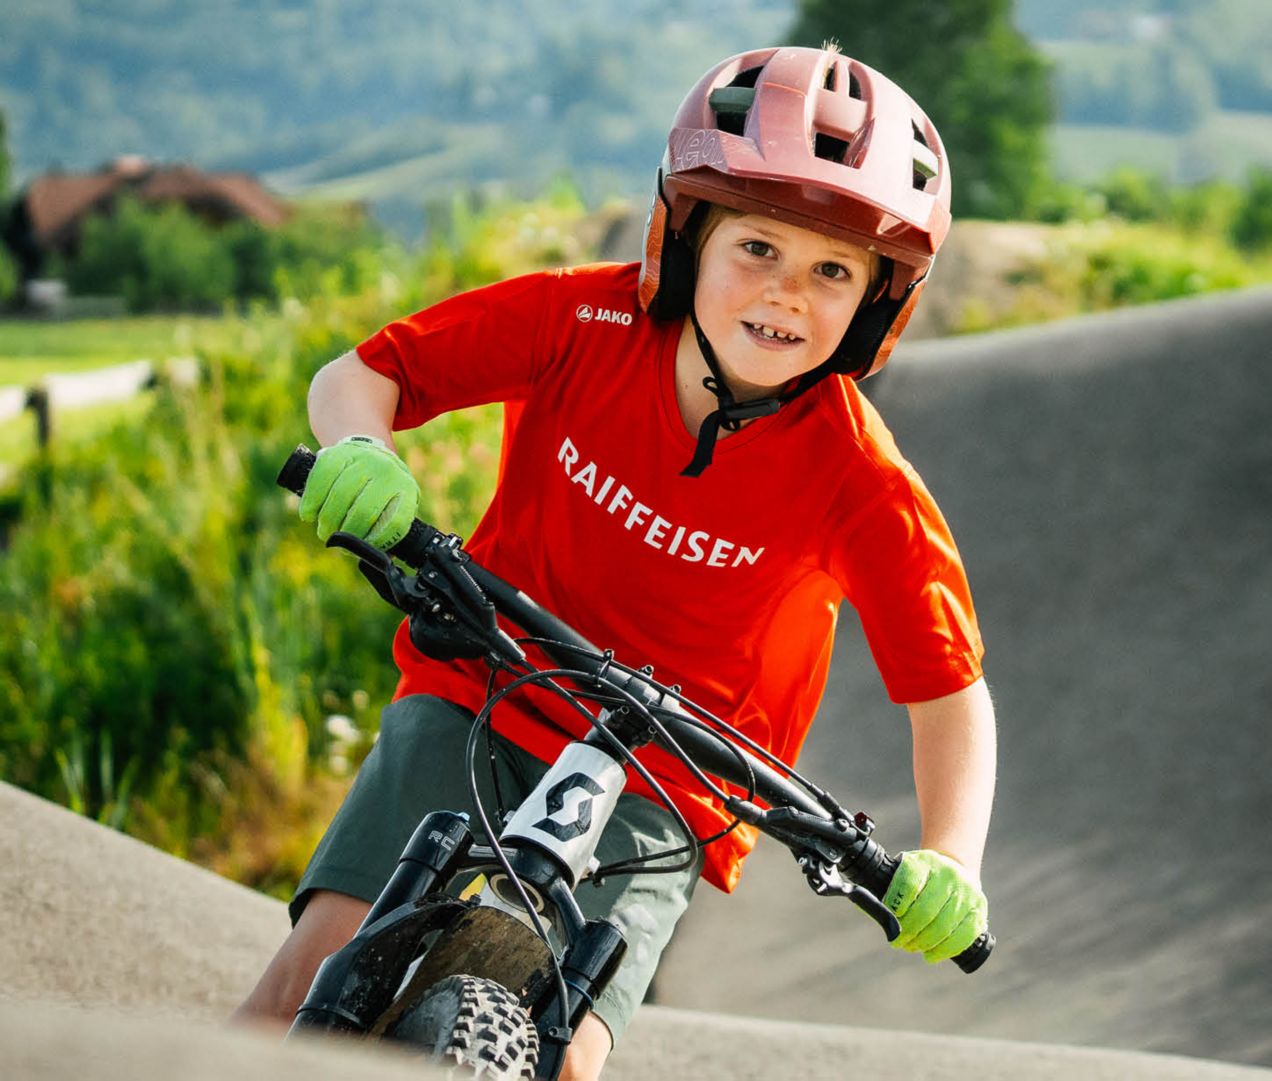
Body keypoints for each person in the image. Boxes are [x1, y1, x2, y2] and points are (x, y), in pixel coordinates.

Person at [230, 45, 996, 1081]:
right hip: (481, 685)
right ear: (686, 239)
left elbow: (949, 689)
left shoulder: (859, 477)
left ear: (875, 303)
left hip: (666, 782)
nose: (787, 294)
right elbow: (365, 376)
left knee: (571, 1060)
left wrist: (950, 852)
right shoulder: (582, 320)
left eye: (832, 271)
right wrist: (362, 447)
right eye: (757, 247)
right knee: (312, 971)